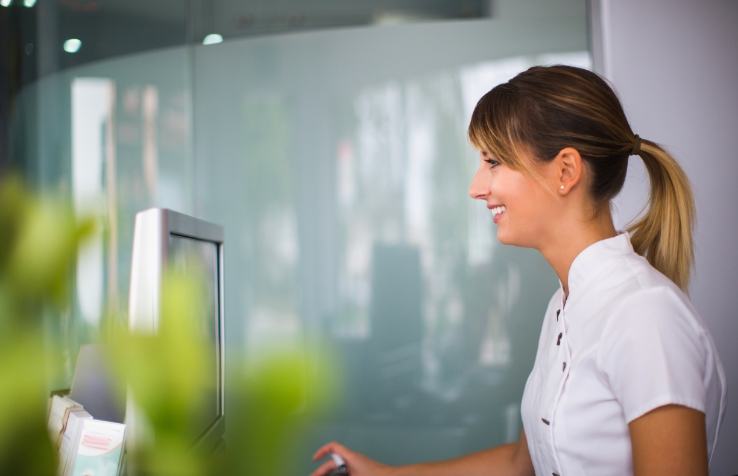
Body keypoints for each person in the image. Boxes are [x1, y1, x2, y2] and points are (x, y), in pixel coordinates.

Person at [311, 65, 727, 476]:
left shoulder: (643, 315)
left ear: (565, 171)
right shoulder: (564, 307)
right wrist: (388, 475)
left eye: (493, 162)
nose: (476, 187)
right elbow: (520, 464)